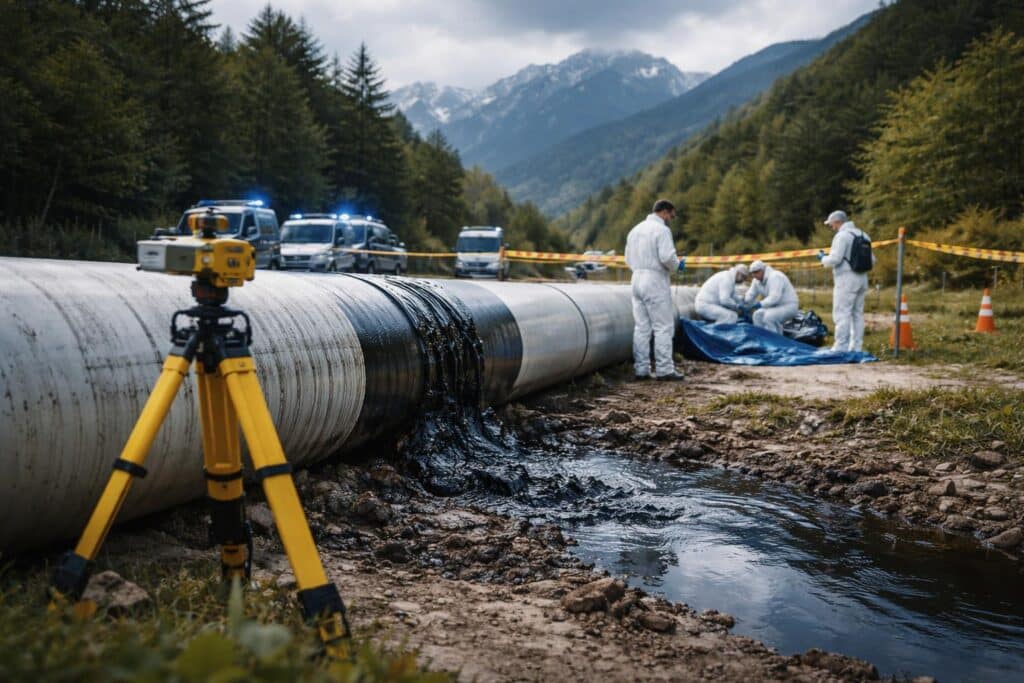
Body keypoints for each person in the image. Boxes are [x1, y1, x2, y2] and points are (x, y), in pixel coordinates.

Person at [625, 198, 685, 381]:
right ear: (665, 212)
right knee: (663, 326)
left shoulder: (635, 230)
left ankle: (641, 369)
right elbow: (667, 257)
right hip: (655, 280)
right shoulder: (662, 230)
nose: (670, 220)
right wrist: (678, 265)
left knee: (642, 327)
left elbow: (627, 258)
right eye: (671, 216)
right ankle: (665, 369)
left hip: (636, 278)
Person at [819, 210, 872, 352]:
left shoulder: (842, 236)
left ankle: (840, 347)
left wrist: (823, 259)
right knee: (857, 314)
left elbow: (835, 259)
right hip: (862, 278)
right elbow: (872, 259)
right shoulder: (863, 235)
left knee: (842, 313)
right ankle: (856, 347)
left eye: (831, 225)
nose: (832, 228)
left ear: (837, 222)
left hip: (846, 280)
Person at [743, 260, 799, 334]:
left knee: (769, 317)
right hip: (774, 307)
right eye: (752, 273)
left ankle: (775, 342)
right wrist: (744, 302)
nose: (754, 275)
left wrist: (759, 304)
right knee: (757, 315)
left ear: (762, 270)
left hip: (789, 306)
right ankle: (762, 340)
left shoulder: (775, 276)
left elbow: (774, 298)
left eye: (756, 272)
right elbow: (751, 294)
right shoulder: (756, 281)